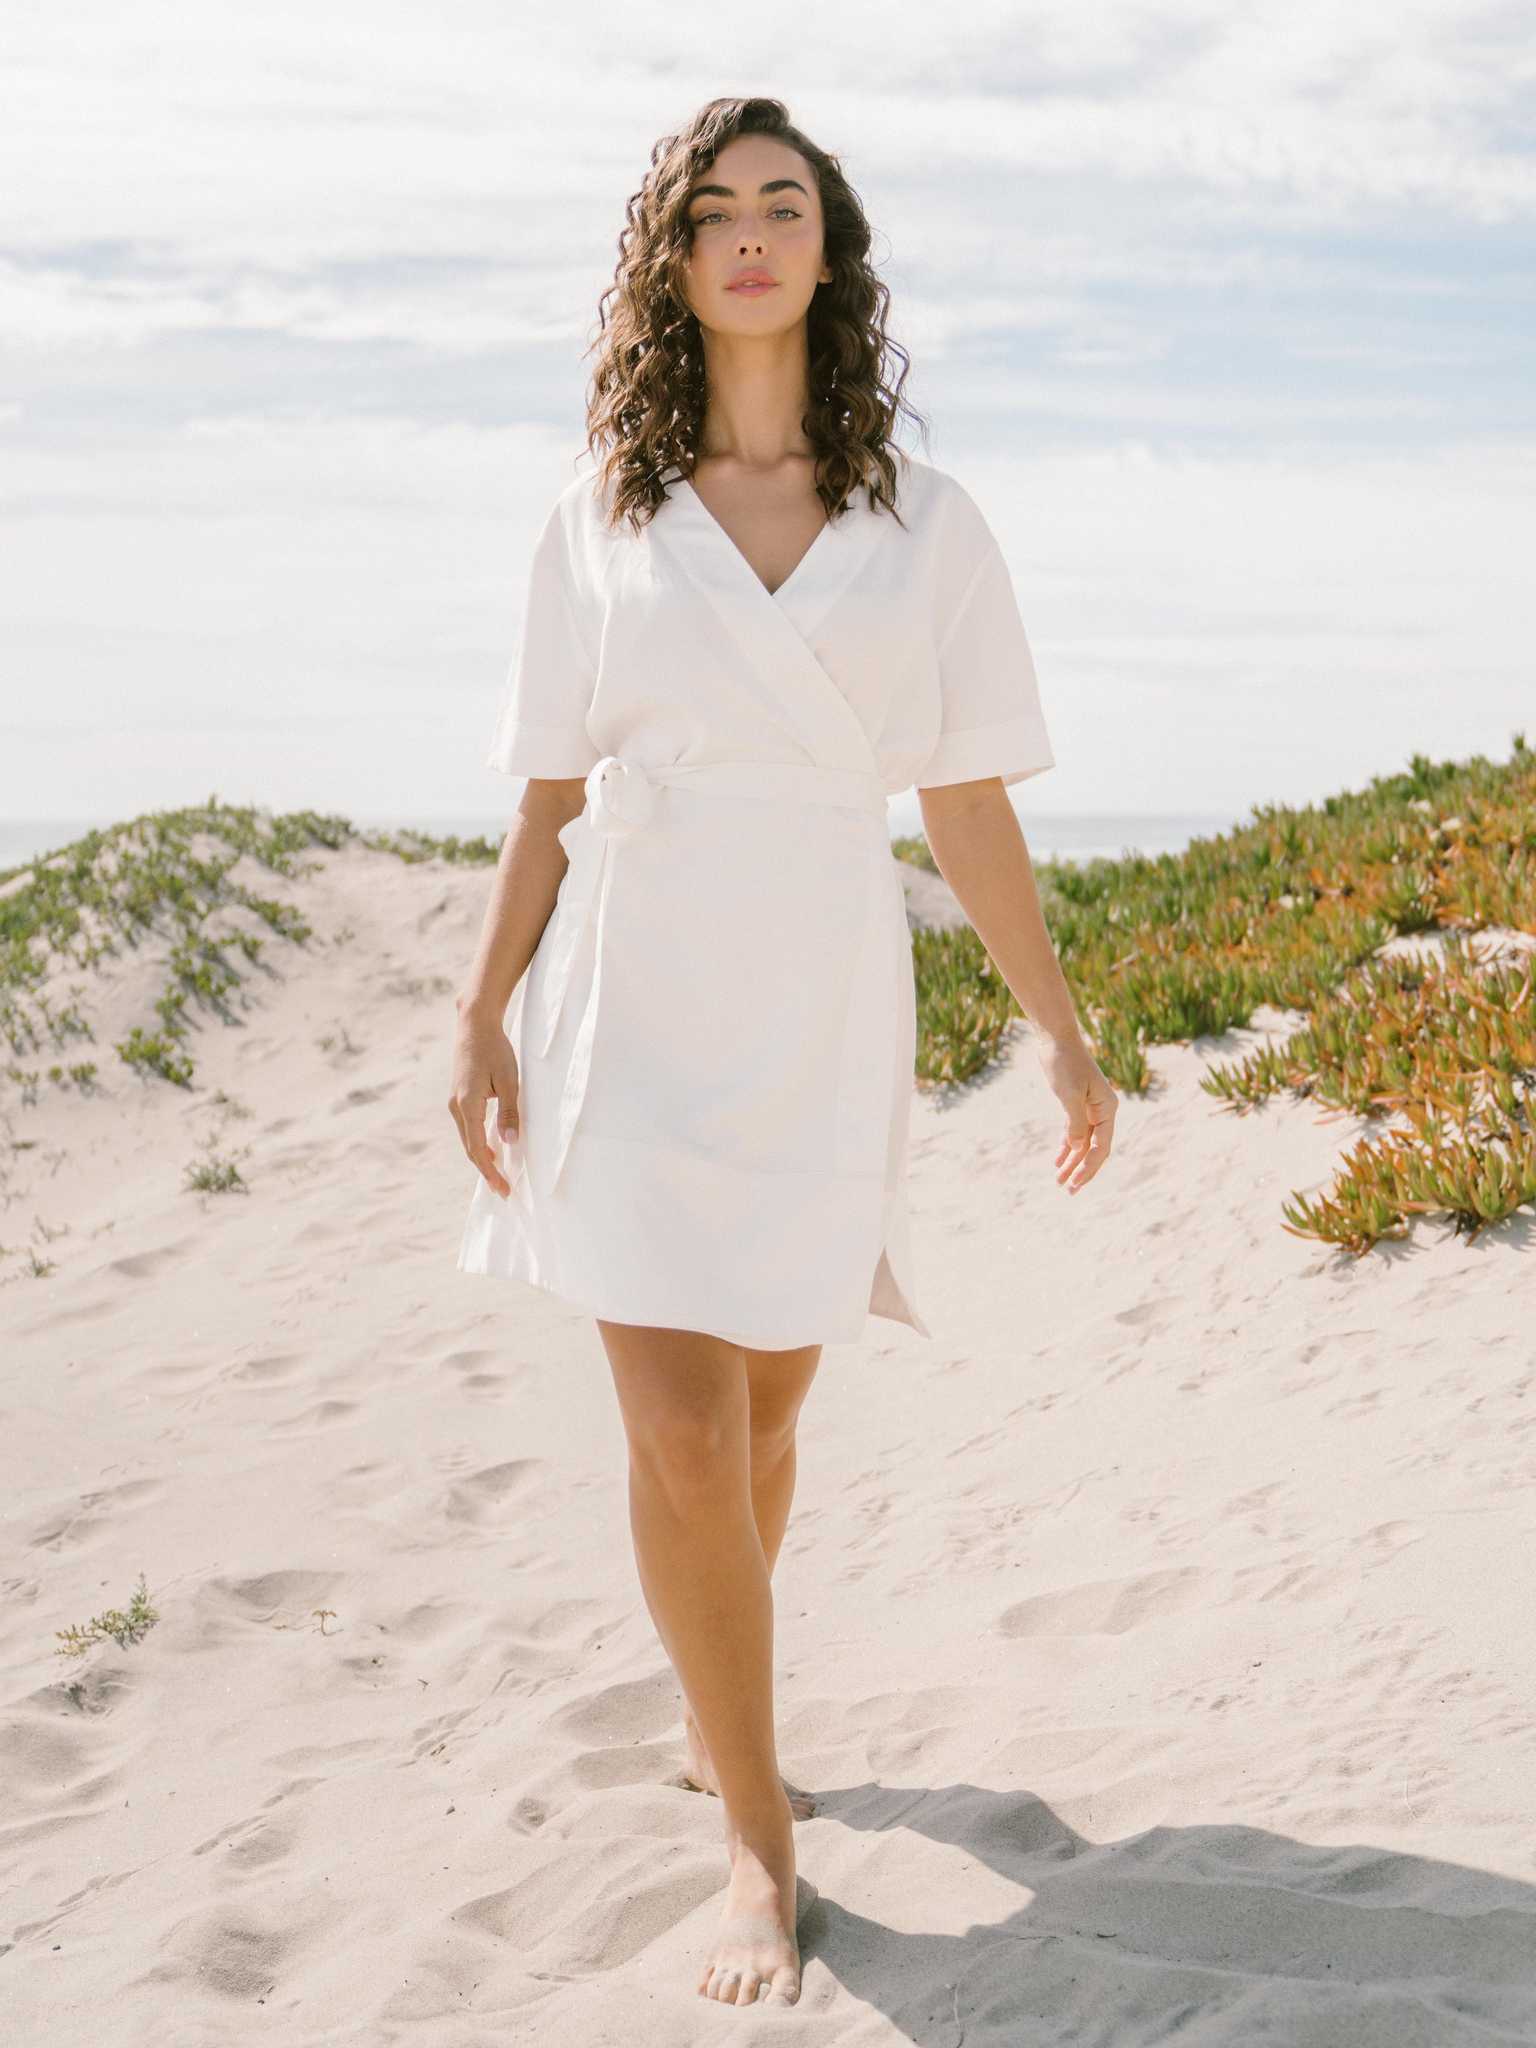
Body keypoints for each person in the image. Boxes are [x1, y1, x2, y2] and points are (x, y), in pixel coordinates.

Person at [448, 96, 1118, 2011]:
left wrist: (1064, 1034)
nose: (750, 235)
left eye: (785, 206)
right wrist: (483, 1006)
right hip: (630, 1003)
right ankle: (760, 1838)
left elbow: (969, 799)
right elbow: (547, 797)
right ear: (671, 262)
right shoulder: (599, 516)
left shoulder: (927, 526)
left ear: (831, 252)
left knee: (762, 1434)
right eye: (715, 211)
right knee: (673, 1430)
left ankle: (713, 1695)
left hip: (819, 1005)